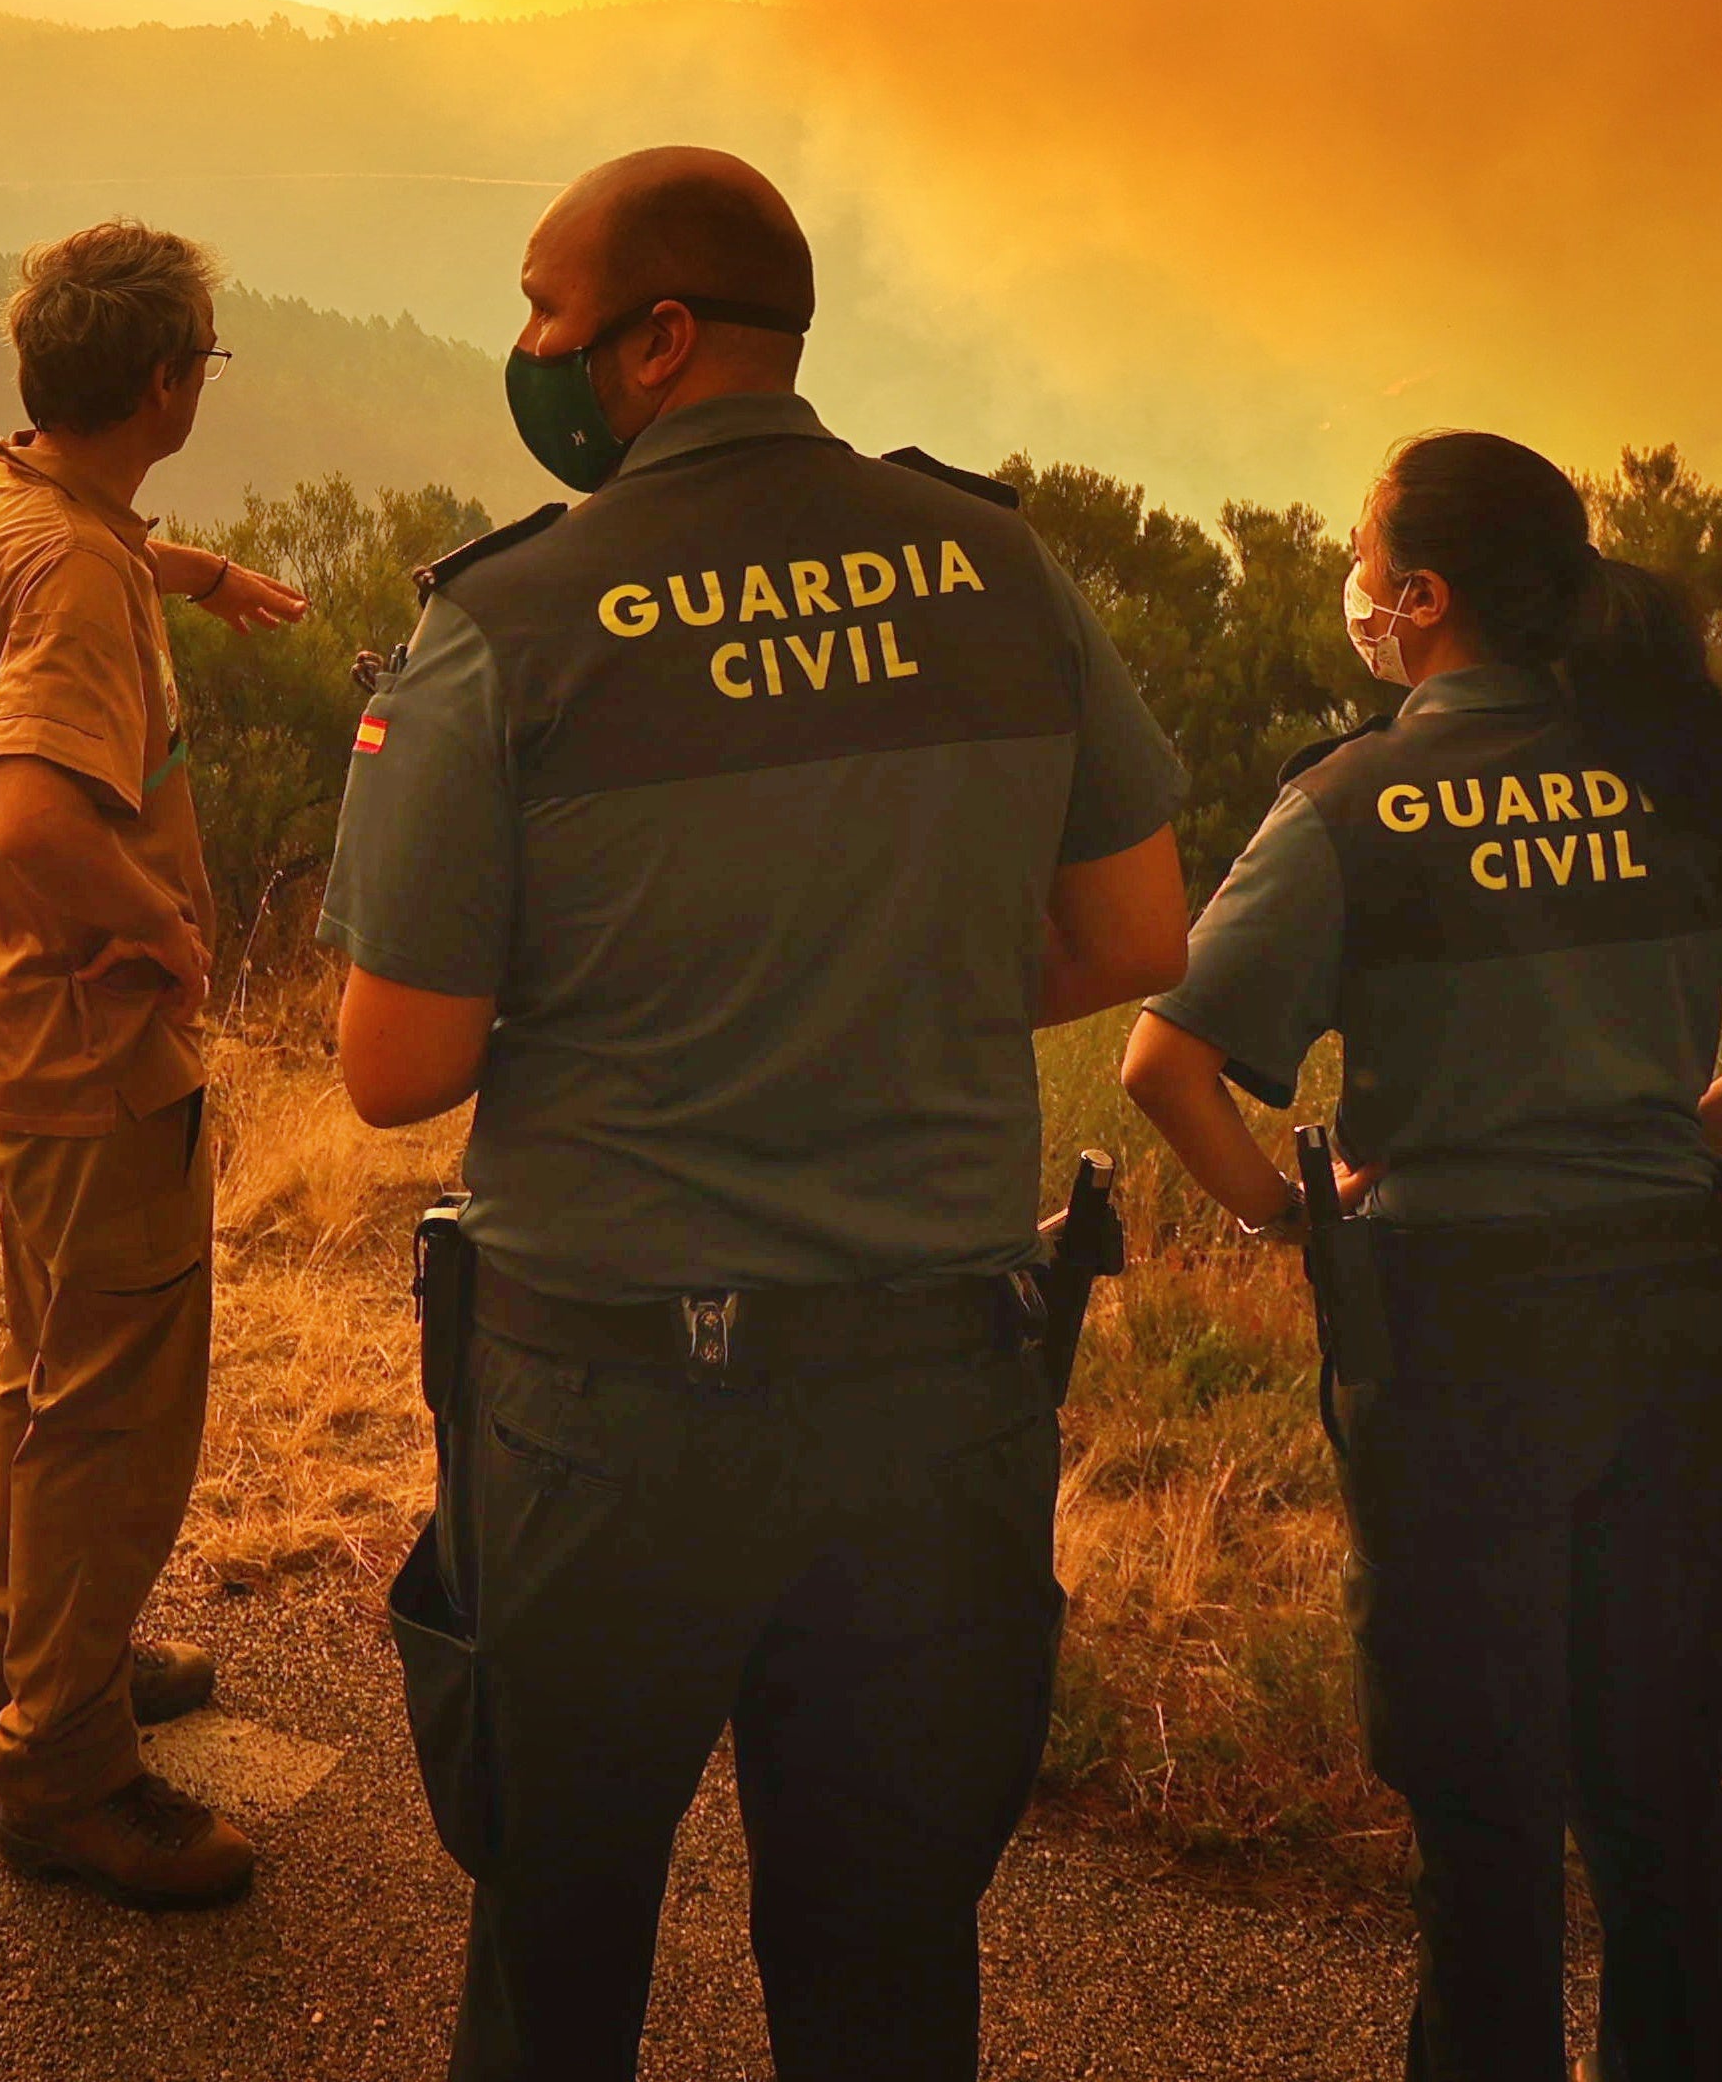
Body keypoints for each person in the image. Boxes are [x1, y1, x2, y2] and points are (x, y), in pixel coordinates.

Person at [325, 145, 1194, 2082]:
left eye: (543, 312)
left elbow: (394, 1066)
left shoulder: (508, 622)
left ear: (651, 339)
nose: (525, 348)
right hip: (932, 1402)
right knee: (882, 1983)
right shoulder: (990, 566)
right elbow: (1135, 928)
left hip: (602, 1419)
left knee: (552, 1967)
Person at [1122, 430, 1722, 2081]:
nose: (1355, 588)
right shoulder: (1674, 771)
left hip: (1450, 1334)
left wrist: (1282, 1210)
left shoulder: (1349, 802)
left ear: (1419, 599)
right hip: (1670, 1308)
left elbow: (1167, 1066)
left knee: (1481, 1786)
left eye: (1367, 559)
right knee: (1658, 1777)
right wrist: (1714, 1115)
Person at [0, 219, 311, 1909]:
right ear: (165, 382)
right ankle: (64, 1761)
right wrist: (156, 919)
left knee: (48, 1362)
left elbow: (71, 556)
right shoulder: (73, 565)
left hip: (8, 1019)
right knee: (119, 1408)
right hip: (96, 1043)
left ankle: (23, 1647)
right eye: (204, 360)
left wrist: (201, 573)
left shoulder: (4, 502)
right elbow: (25, 807)